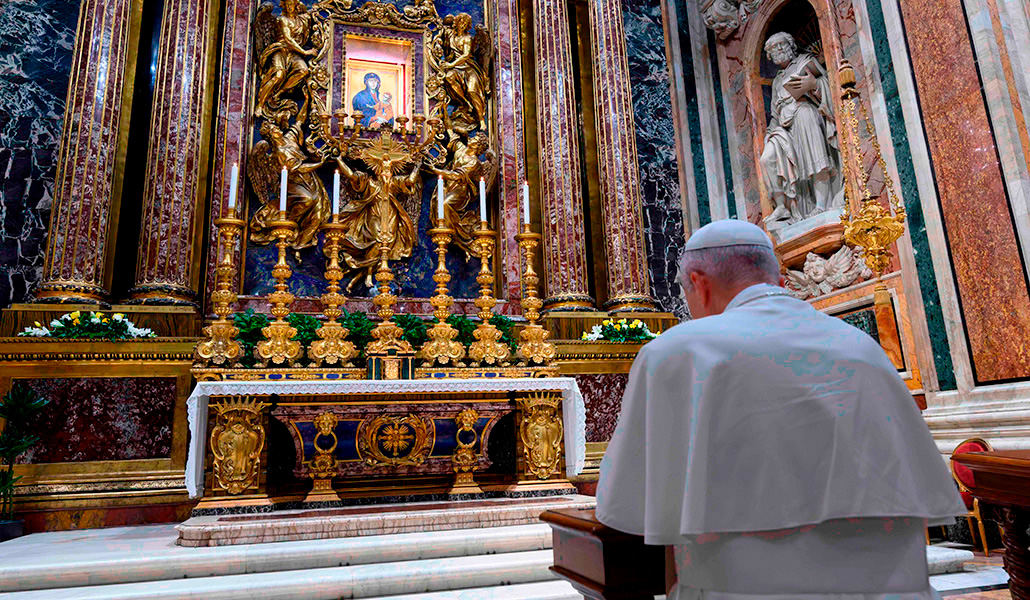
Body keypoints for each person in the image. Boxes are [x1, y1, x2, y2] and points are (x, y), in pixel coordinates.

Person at [596, 219, 965, 600]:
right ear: (781, 280)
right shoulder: (861, 346)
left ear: (700, 283)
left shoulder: (677, 352)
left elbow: (622, 508)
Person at [759, 32, 843, 224]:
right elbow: (775, 113)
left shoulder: (805, 62)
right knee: (767, 159)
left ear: (790, 45)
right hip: (785, 128)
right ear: (770, 56)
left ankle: (822, 203)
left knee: (815, 159)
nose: (779, 49)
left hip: (805, 114)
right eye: (774, 48)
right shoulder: (778, 81)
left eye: (782, 44)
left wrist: (814, 85)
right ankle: (783, 206)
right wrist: (770, 133)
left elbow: (829, 86)